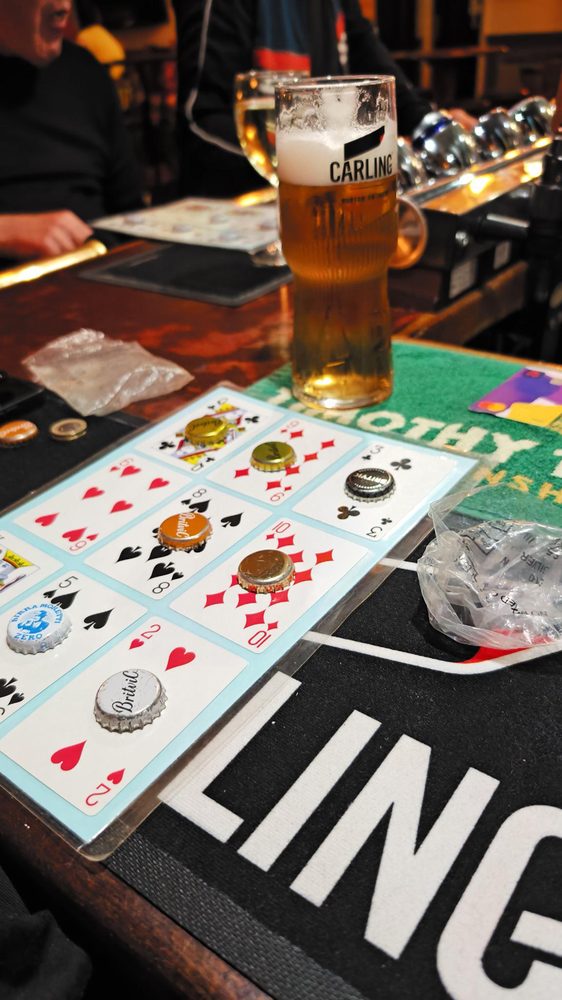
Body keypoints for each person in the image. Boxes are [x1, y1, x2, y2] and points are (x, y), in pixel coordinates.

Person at [172, 0, 475, 197]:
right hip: (236, 210)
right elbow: (200, 120)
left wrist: (430, 124)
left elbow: (367, 53)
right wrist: (313, 166)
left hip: (327, 197)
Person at [0, 0, 141, 261]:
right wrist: (6, 231)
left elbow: (131, 215)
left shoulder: (85, 72)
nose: (64, 6)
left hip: (98, 278)